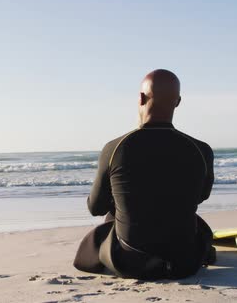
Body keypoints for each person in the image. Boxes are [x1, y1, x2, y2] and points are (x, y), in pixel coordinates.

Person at [73, 69, 215, 280]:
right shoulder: (200, 150)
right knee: (193, 221)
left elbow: (96, 207)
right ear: (178, 102)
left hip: (131, 263)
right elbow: (201, 196)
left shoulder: (116, 148)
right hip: (184, 262)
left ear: (141, 98)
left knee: (110, 220)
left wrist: (119, 200)